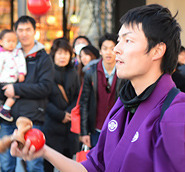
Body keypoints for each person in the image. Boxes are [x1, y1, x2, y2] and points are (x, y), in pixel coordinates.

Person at [10, 4, 185, 172]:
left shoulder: (177, 112)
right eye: (119, 40)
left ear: (157, 51)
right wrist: (44, 151)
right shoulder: (122, 107)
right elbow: (90, 168)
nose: (116, 49)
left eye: (128, 40)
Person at [0, 15, 54, 172]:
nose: (24, 34)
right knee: (6, 164)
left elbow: (45, 87)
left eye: (28, 30)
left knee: (33, 164)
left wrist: (16, 90)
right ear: (16, 32)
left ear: (34, 32)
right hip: (8, 119)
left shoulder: (43, 58)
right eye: (20, 30)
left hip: (32, 119)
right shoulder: (7, 54)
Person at [80, 33, 126, 148]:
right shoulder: (91, 72)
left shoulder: (125, 71)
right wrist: (84, 132)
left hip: (119, 127)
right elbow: (84, 103)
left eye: (112, 48)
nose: (108, 52)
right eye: (105, 49)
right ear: (100, 51)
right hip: (96, 128)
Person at [43, 37, 80, 172]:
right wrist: (60, 115)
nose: (62, 57)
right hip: (51, 125)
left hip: (69, 127)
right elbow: (44, 99)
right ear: (54, 54)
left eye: (65, 53)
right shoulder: (47, 73)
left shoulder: (73, 73)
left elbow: (78, 95)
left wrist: (69, 113)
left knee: (68, 164)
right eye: (59, 53)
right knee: (48, 164)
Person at [0, 29, 26, 122]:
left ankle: (5, 108)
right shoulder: (1, 54)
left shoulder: (18, 52)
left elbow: (21, 63)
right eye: (8, 41)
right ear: (1, 42)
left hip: (13, 80)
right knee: (10, 95)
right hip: (3, 80)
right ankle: (4, 108)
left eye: (14, 41)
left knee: (14, 94)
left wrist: (22, 73)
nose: (11, 43)